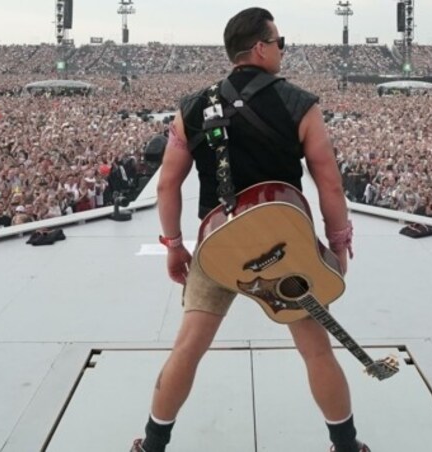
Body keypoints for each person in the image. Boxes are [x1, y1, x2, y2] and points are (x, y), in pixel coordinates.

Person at [131, 7, 368, 452]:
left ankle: (153, 444)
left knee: (187, 349)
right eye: (280, 43)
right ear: (260, 47)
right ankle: (347, 446)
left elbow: (167, 184)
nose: (282, 50)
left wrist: (174, 246)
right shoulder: (300, 104)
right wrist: (337, 245)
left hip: (216, 246)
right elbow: (330, 184)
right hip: (287, 246)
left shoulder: (193, 107)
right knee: (316, 350)